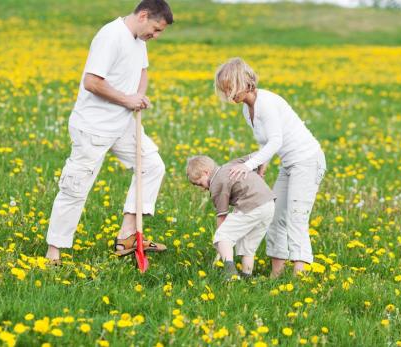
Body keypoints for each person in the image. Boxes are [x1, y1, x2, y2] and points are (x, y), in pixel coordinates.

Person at [45, 0, 174, 264]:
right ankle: (54, 250)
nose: (156, 36)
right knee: (76, 187)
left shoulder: (139, 41)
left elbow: (142, 71)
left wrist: (138, 95)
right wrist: (127, 100)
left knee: (152, 165)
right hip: (94, 126)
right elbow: (92, 82)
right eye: (156, 29)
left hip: (123, 124)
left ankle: (127, 236)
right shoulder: (110, 36)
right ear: (144, 15)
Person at [214, 57, 327, 277]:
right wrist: (261, 165)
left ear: (243, 82)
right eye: (224, 90)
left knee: (297, 215)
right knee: (274, 214)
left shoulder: (266, 103)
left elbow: (276, 140)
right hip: (289, 163)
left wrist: (248, 165)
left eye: (230, 88)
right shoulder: (248, 110)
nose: (228, 95)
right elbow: (266, 143)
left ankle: (299, 275)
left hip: (307, 161)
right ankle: (277, 274)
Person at [186, 155, 276, 280]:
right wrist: (260, 172)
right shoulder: (232, 164)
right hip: (269, 204)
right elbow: (260, 156)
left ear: (206, 172)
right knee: (248, 246)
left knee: (223, 237)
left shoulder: (216, 184)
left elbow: (222, 216)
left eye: (200, 184)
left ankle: (230, 273)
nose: (203, 188)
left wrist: (220, 240)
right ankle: (247, 277)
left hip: (251, 205)